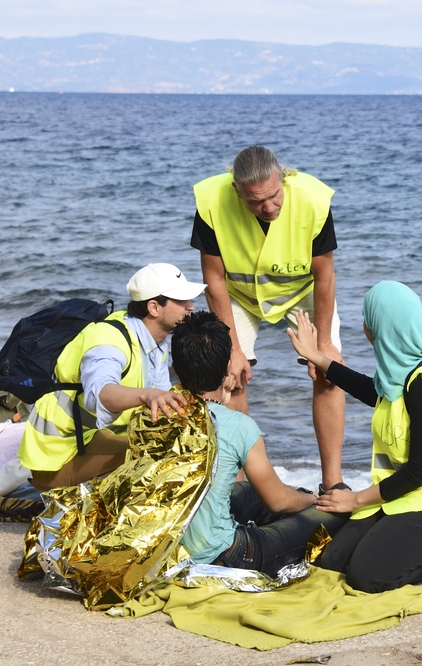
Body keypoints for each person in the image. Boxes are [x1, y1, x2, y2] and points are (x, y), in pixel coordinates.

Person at [287, 282, 422, 593]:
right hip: (409, 495)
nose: (364, 325)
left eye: (366, 318)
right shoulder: (399, 376)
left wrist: (354, 500)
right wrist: (316, 357)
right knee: (331, 560)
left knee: (367, 576)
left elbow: (420, 471)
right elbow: (370, 390)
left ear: (379, 327)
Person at [191, 145, 347, 493]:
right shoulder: (211, 202)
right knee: (230, 375)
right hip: (240, 294)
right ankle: (238, 482)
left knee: (329, 372)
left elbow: (325, 276)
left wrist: (322, 346)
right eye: (255, 202)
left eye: (274, 196)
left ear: (283, 179)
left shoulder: (312, 199)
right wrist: (232, 350)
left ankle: (333, 483)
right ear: (236, 191)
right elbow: (213, 280)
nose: (268, 207)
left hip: (300, 291)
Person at [172, 311, 348, 577]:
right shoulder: (238, 426)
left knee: (249, 491)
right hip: (225, 556)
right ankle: (314, 504)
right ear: (226, 369)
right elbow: (277, 501)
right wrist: (312, 499)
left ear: (175, 369)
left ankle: (300, 504)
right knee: (330, 510)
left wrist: (221, 401)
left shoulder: (156, 415)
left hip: (173, 548)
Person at [19, 264, 204, 490]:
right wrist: (148, 395)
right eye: (182, 301)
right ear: (154, 307)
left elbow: (161, 409)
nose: (191, 307)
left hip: (95, 441)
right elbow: (100, 393)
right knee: (153, 455)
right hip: (59, 458)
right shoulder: (109, 339)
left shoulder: (158, 344)